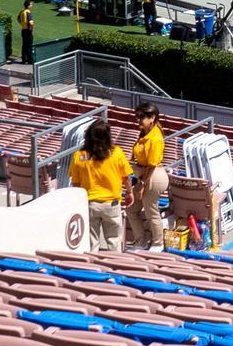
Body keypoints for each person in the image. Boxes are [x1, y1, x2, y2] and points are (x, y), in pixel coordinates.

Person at [70, 121, 132, 251]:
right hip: (112, 204)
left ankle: (92, 268)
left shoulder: (79, 156)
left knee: (92, 243)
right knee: (114, 243)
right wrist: (130, 193)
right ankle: (115, 268)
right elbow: (126, 177)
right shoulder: (117, 153)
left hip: (90, 203)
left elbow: (75, 183)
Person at [126, 105, 168, 250]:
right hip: (143, 175)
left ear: (152, 118)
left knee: (151, 211)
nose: (138, 120)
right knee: (131, 210)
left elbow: (151, 165)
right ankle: (141, 240)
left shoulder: (155, 138)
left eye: (142, 117)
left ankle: (158, 243)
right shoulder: (144, 133)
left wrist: (140, 185)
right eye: (137, 116)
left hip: (152, 176)